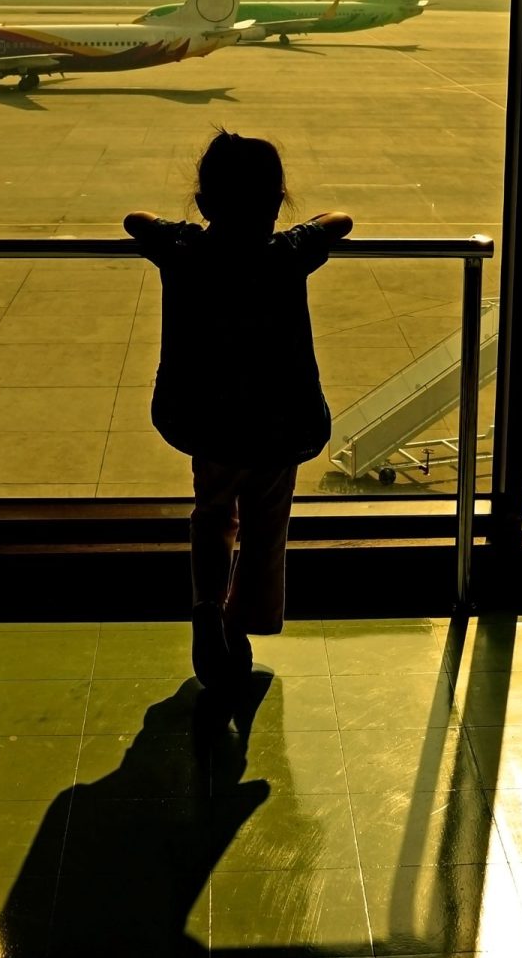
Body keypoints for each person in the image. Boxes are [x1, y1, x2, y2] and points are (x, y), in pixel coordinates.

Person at [125, 131, 353, 688]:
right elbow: (340, 219)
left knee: (212, 512)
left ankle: (206, 607)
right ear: (278, 204)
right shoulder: (287, 253)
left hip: (207, 415)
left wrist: (179, 230)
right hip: (279, 418)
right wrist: (302, 229)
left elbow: (136, 220)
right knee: (266, 521)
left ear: (203, 203)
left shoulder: (185, 250)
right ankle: (240, 622)